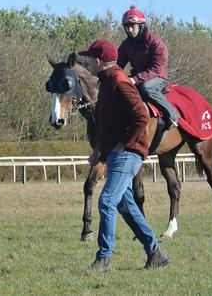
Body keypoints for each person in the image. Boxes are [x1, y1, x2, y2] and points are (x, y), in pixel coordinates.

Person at [79, 40, 170, 273]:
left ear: (98, 61)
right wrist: (98, 151)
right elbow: (107, 125)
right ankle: (155, 252)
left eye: (89, 58)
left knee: (107, 201)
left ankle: (104, 259)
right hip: (116, 155)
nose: (87, 61)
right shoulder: (107, 83)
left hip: (128, 155)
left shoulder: (120, 83)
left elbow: (141, 116)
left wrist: (123, 145)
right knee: (125, 206)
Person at [117, 5, 179, 129]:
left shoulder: (155, 42)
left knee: (146, 88)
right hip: (137, 77)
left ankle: (172, 114)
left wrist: (135, 79)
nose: (129, 30)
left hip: (157, 77)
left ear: (140, 26)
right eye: (127, 26)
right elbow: (118, 65)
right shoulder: (126, 44)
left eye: (132, 26)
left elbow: (157, 68)